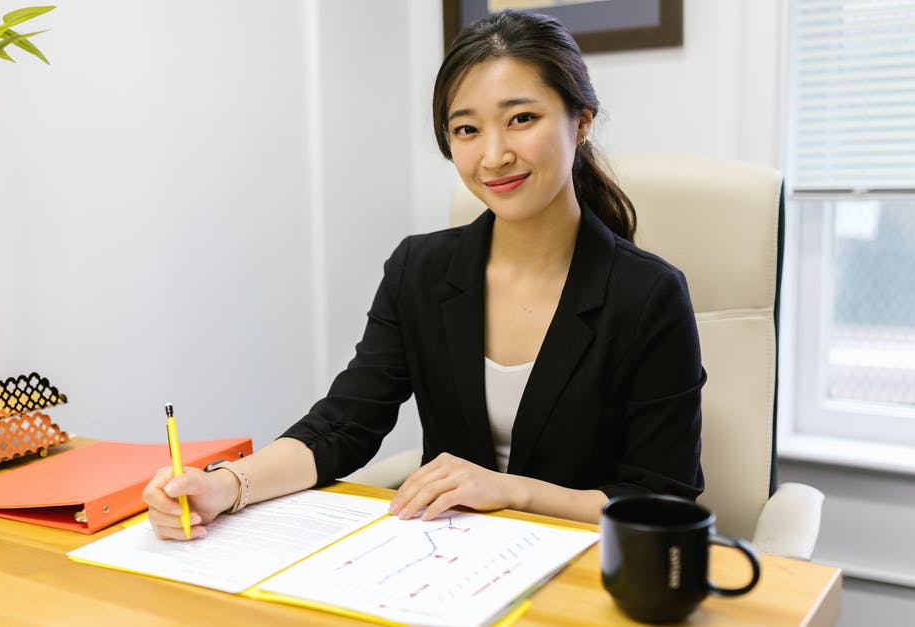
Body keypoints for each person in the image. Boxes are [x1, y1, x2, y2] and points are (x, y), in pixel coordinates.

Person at [143, 9, 704, 540]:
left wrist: (510, 492)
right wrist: (224, 486)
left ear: (580, 122)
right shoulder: (421, 270)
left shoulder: (647, 294)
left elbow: (660, 498)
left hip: (588, 571)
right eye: (467, 130)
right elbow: (344, 424)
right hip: (446, 569)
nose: (494, 156)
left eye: (522, 119)